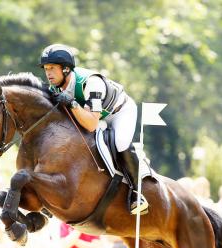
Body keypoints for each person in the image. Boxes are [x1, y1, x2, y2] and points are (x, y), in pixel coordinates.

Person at [39, 44, 147, 215]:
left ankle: (137, 192)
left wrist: (73, 103)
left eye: (52, 68)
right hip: (97, 116)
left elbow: (91, 124)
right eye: (46, 69)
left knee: (119, 142)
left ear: (66, 69)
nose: (48, 73)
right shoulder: (54, 87)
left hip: (119, 112)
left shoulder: (90, 82)